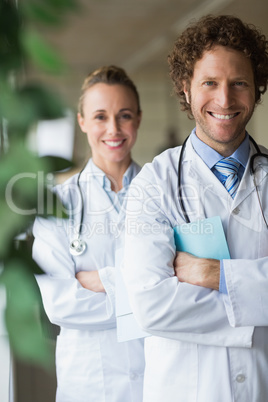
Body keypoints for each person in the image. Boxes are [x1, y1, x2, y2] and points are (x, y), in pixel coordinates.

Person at [123, 15, 268, 402]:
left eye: (239, 83)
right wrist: (256, 303)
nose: (224, 100)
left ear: (257, 89)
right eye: (210, 83)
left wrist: (215, 274)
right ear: (186, 90)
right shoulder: (153, 185)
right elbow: (150, 306)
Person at [32, 65, 145, 402]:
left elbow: (187, 288)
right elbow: (60, 304)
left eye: (124, 115)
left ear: (138, 119)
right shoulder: (57, 206)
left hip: (160, 378)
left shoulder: (166, 194)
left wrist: (100, 281)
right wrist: (143, 293)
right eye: (100, 116)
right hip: (89, 385)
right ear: (82, 121)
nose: (113, 129)